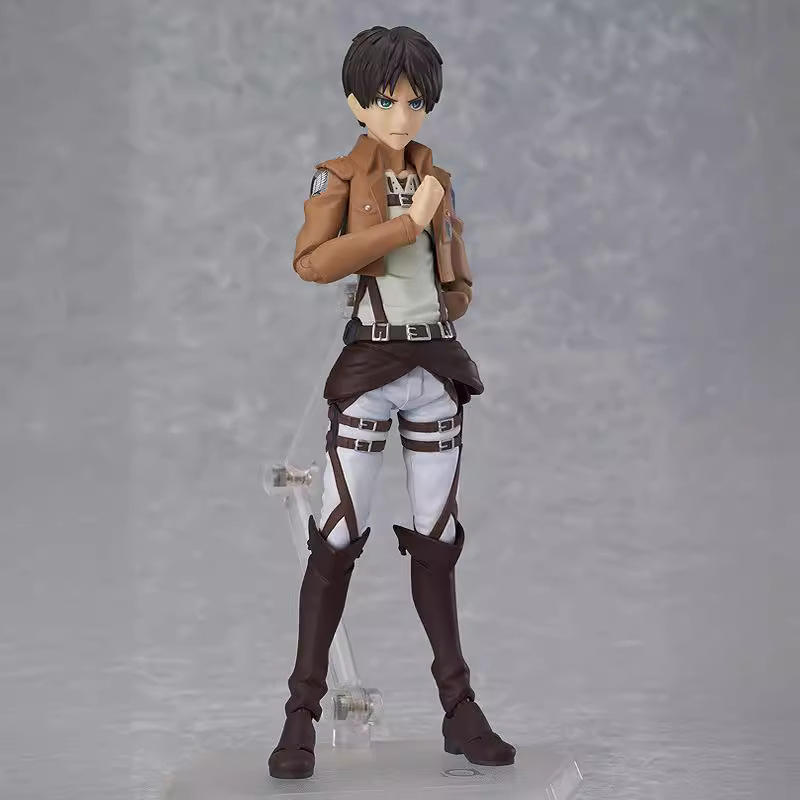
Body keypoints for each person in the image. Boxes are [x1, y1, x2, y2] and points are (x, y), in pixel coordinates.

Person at [268, 25, 516, 779]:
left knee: (438, 539)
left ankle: (460, 708)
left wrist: (452, 285)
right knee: (337, 535)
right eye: (385, 101)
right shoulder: (338, 177)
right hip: (371, 364)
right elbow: (312, 262)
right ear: (357, 102)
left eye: (414, 102)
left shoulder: (440, 179)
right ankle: (301, 714)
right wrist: (404, 224)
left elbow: (455, 275)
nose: (402, 116)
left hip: (435, 363)